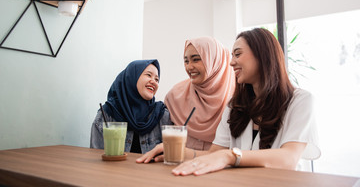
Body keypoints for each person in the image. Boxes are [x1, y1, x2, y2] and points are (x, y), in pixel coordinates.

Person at [137, 28, 320, 176]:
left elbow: (288, 159)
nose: (231, 63)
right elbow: (214, 154)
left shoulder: (300, 101)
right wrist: (175, 152)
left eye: (238, 54)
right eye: (232, 56)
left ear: (262, 55)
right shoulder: (235, 106)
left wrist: (229, 156)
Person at [164, 36, 235, 150]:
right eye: (186, 61)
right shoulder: (174, 96)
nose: (189, 67)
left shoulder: (237, 98)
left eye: (196, 59)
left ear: (215, 61)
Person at [90, 59, 172, 154]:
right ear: (132, 77)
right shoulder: (107, 113)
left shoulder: (161, 115)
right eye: (149, 75)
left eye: (157, 79)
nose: (154, 81)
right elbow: (95, 156)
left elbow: (170, 156)